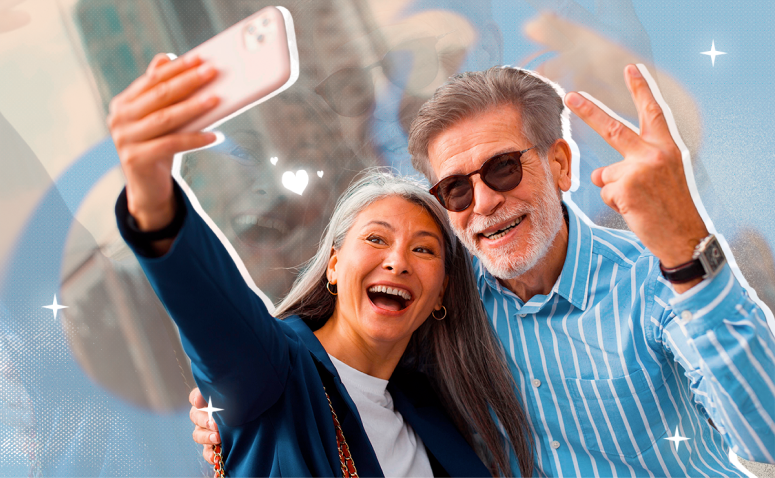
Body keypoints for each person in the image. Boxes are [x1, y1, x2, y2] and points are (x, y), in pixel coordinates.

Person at [190, 64, 775, 476]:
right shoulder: (437, 302)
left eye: (501, 170)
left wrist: (688, 249)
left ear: (561, 164)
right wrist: (237, 409)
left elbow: (766, 435)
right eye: (455, 188)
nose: (484, 202)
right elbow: (342, 359)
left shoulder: (657, 282)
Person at [108, 54, 537, 477]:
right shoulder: (275, 374)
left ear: (442, 291)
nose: (397, 261)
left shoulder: (434, 412)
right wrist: (151, 194)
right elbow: (214, 310)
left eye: (424, 250)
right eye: (375, 238)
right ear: (333, 265)